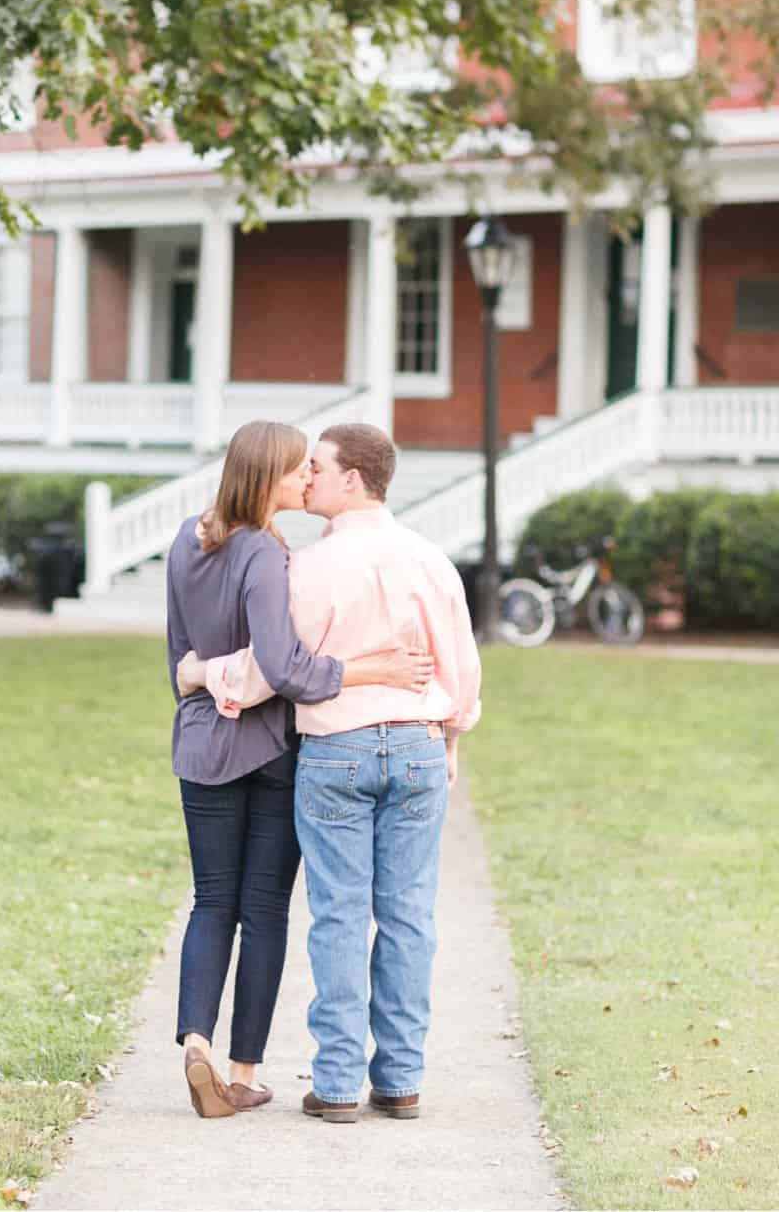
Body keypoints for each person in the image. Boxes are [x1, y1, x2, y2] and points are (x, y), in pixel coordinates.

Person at [180, 422, 482, 1124]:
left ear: (354, 479)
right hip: (415, 745)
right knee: (409, 913)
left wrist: (200, 672)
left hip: (336, 752)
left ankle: (339, 1085)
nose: (305, 476)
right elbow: (461, 669)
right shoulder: (431, 561)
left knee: (341, 914)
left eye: (317, 466)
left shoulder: (308, 569)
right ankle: (402, 1081)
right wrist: (452, 736)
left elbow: (266, 669)